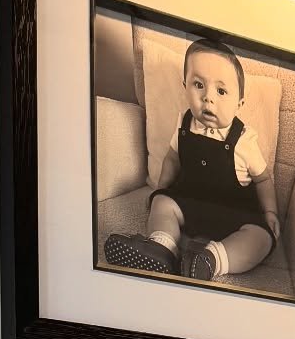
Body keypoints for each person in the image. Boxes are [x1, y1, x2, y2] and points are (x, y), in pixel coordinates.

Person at [103, 37, 279, 286]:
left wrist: (270, 211)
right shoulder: (183, 124)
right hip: (189, 203)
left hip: (234, 214)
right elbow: (172, 160)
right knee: (163, 203)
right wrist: (159, 189)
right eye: (198, 85)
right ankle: (162, 247)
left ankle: (210, 261)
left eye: (221, 91)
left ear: (239, 103)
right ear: (184, 86)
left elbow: (262, 178)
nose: (208, 98)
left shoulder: (245, 140)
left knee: (261, 238)